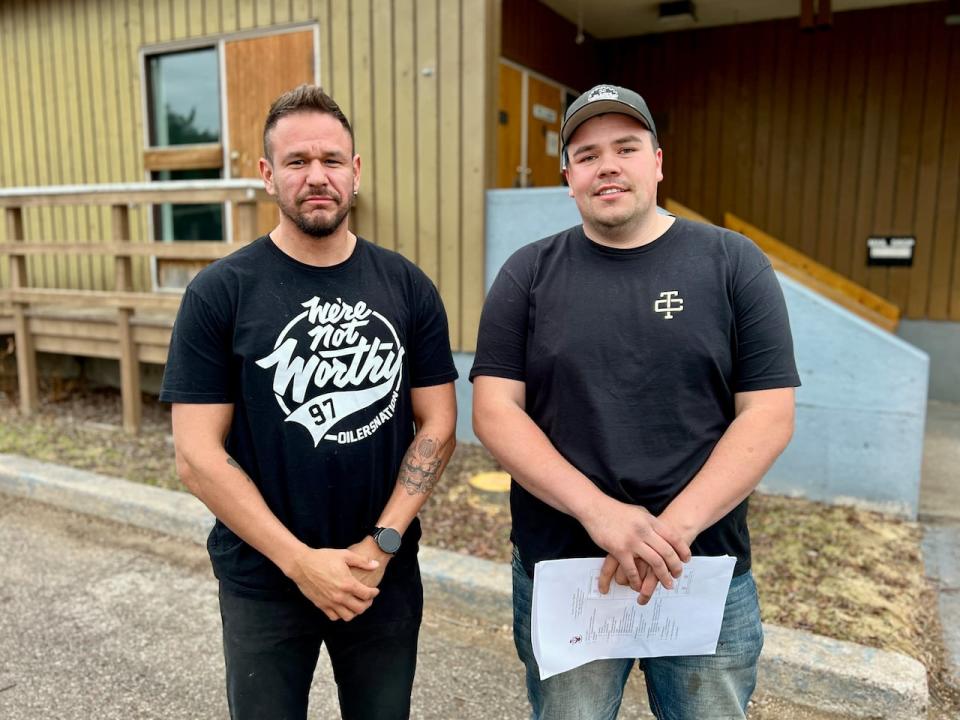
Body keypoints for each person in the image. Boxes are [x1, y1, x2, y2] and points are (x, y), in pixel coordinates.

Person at [471, 83, 800, 720]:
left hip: (701, 568)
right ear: (568, 177)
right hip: (568, 572)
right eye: (588, 154)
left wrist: (668, 534)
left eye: (626, 147)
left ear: (657, 161)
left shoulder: (732, 263)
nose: (608, 165)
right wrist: (601, 515)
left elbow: (768, 413)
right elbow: (494, 410)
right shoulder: (528, 273)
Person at [160, 85, 458, 720]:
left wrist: (382, 543)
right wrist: (299, 562)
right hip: (263, 576)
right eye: (296, 162)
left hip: (380, 574)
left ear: (356, 171)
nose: (316, 176)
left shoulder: (407, 285)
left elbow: (437, 423)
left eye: (331, 160)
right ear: (268, 175)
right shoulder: (220, 293)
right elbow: (196, 456)